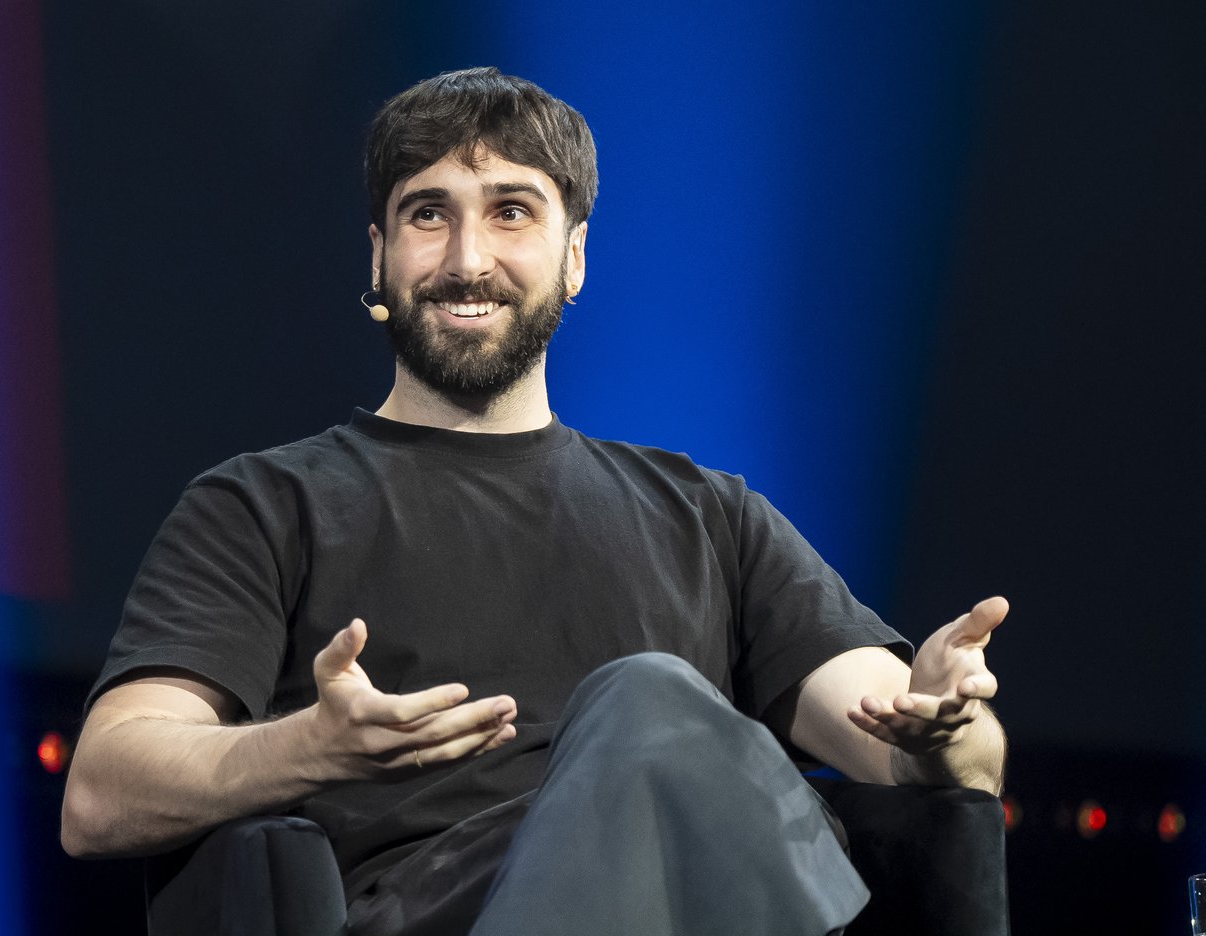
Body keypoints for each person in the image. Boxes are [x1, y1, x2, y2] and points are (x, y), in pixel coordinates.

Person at [61, 67, 1007, 935]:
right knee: (654, 701)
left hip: (702, 897)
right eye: (428, 214)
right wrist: (307, 746)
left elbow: (926, 751)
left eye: (512, 211)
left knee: (659, 714)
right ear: (380, 255)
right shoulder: (264, 504)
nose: (468, 259)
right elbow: (102, 791)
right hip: (441, 907)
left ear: (576, 255)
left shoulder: (708, 514)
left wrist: (943, 721)